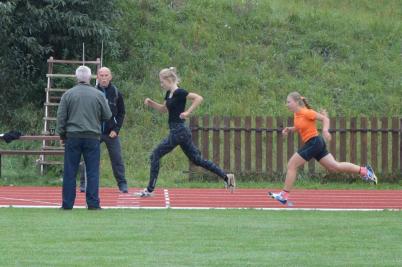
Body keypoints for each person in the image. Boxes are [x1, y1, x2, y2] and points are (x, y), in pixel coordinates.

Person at [134, 67, 235, 197]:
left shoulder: (179, 92)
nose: (161, 84)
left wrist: (188, 112)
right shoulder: (169, 93)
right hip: (181, 131)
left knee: (155, 155)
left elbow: (198, 98)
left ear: (169, 80)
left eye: (162, 81)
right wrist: (150, 103)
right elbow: (164, 109)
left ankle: (149, 190)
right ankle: (227, 178)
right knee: (197, 160)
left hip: (178, 131)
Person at [268, 92, 377, 205]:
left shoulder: (306, 112)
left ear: (296, 102)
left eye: (289, 102)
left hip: (314, 142)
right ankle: (365, 171)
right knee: (335, 167)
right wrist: (289, 129)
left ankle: (284, 195)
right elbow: (299, 127)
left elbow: (325, 119)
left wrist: (325, 130)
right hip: (316, 143)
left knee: (292, 165)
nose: (287, 104)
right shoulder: (297, 114)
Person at [57, 66, 112, 210]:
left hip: (73, 137)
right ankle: (93, 203)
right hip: (92, 137)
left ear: (76, 78)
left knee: (70, 171)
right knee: (92, 171)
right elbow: (107, 115)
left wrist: (62, 135)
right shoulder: (99, 95)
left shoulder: (68, 94)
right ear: (91, 78)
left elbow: (61, 118)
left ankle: (67, 204)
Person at [79, 67, 128, 193]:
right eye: (101, 75)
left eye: (106, 75)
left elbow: (121, 113)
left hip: (111, 133)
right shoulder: (91, 91)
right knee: (87, 157)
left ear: (110, 77)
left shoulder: (116, 93)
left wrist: (116, 130)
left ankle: (122, 184)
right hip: (94, 132)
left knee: (117, 158)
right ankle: (84, 183)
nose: (104, 78)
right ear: (97, 77)